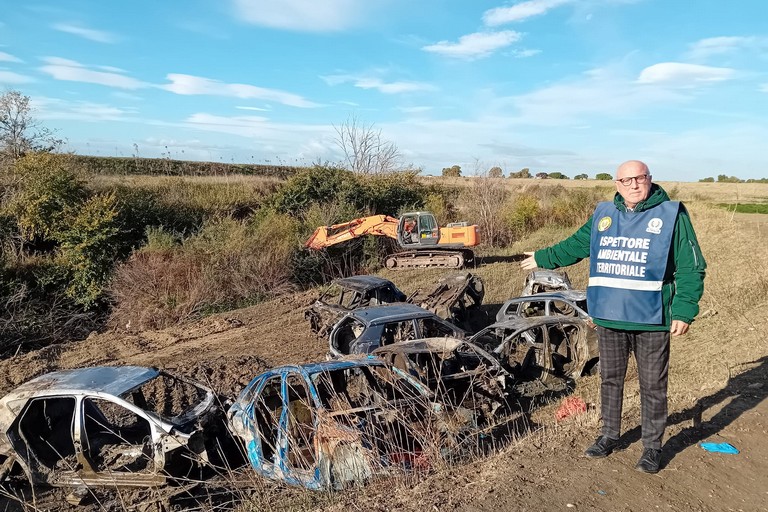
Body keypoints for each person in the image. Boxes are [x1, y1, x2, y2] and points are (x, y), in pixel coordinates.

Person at [520, 160, 706, 474]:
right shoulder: (604, 215)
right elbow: (577, 245)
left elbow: (691, 266)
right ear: (617, 183)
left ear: (650, 179)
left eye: (640, 178)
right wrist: (542, 257)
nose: (634, 184)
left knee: (653, 386)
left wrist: (685, 309)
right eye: (626, 179)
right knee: (610, 381)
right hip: (609, 318)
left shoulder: (672, 215)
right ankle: (609, 435)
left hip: (652, 318)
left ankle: (651, 447)